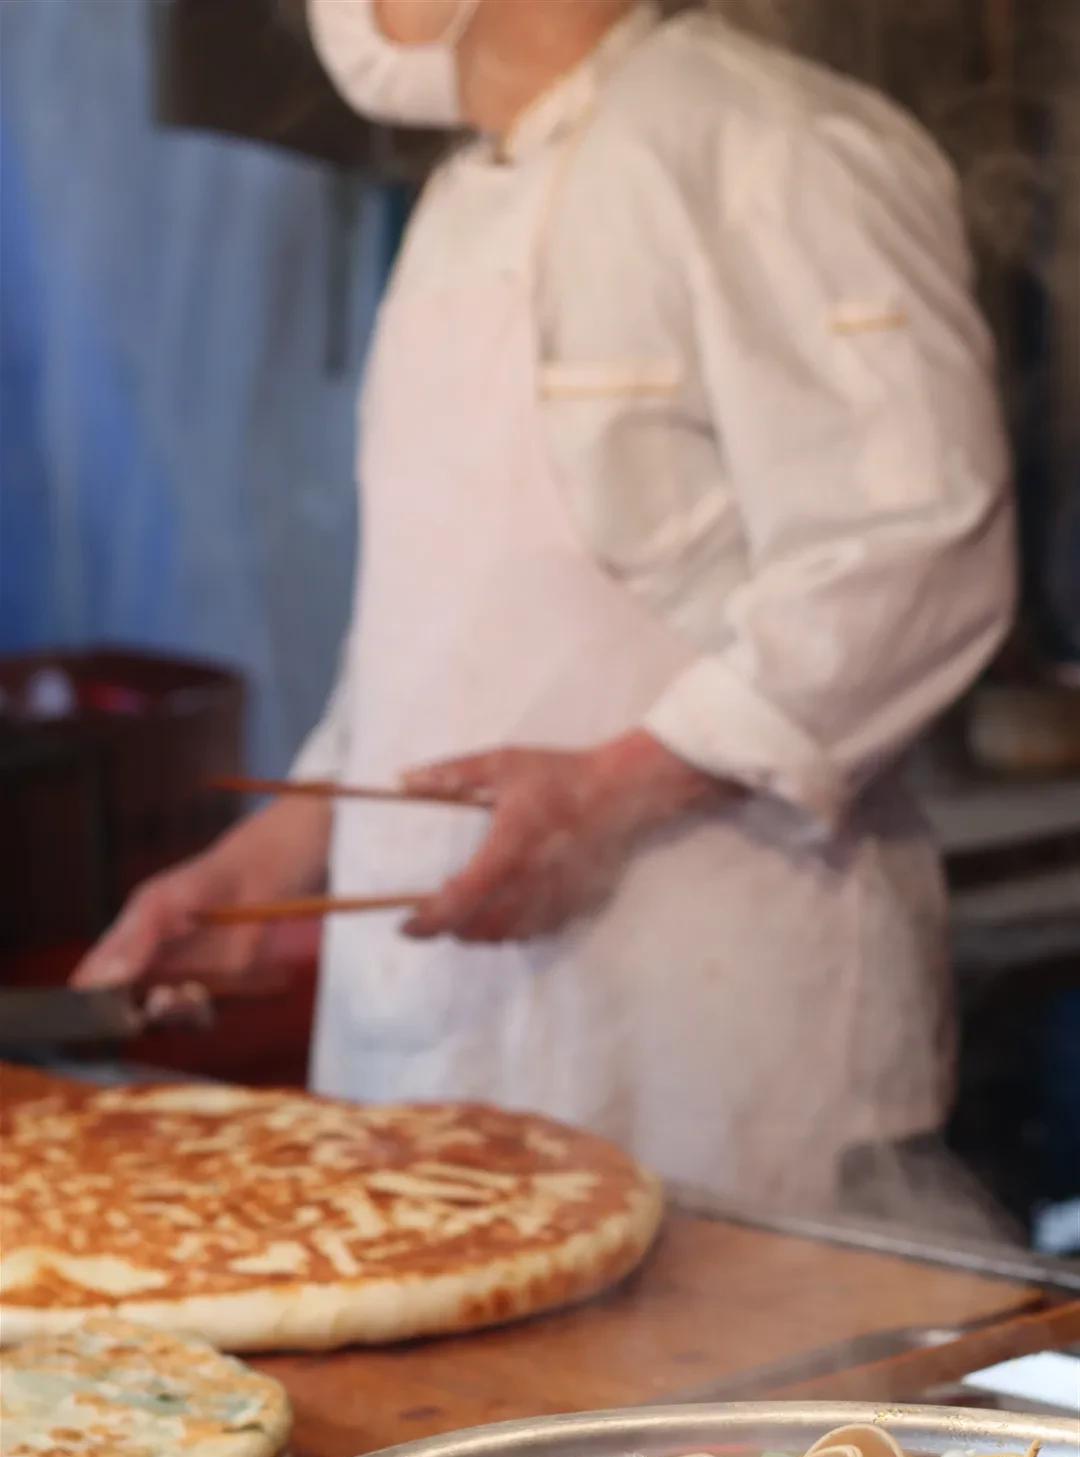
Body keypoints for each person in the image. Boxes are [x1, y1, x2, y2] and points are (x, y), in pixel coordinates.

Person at [76, 0, 1016, 1209]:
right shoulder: (461, 203)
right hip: (432, 1064)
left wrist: (615, 791)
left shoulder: (771, 146)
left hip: (712, 1069)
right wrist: (264, 878)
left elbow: (915, 551)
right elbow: (431, 630)